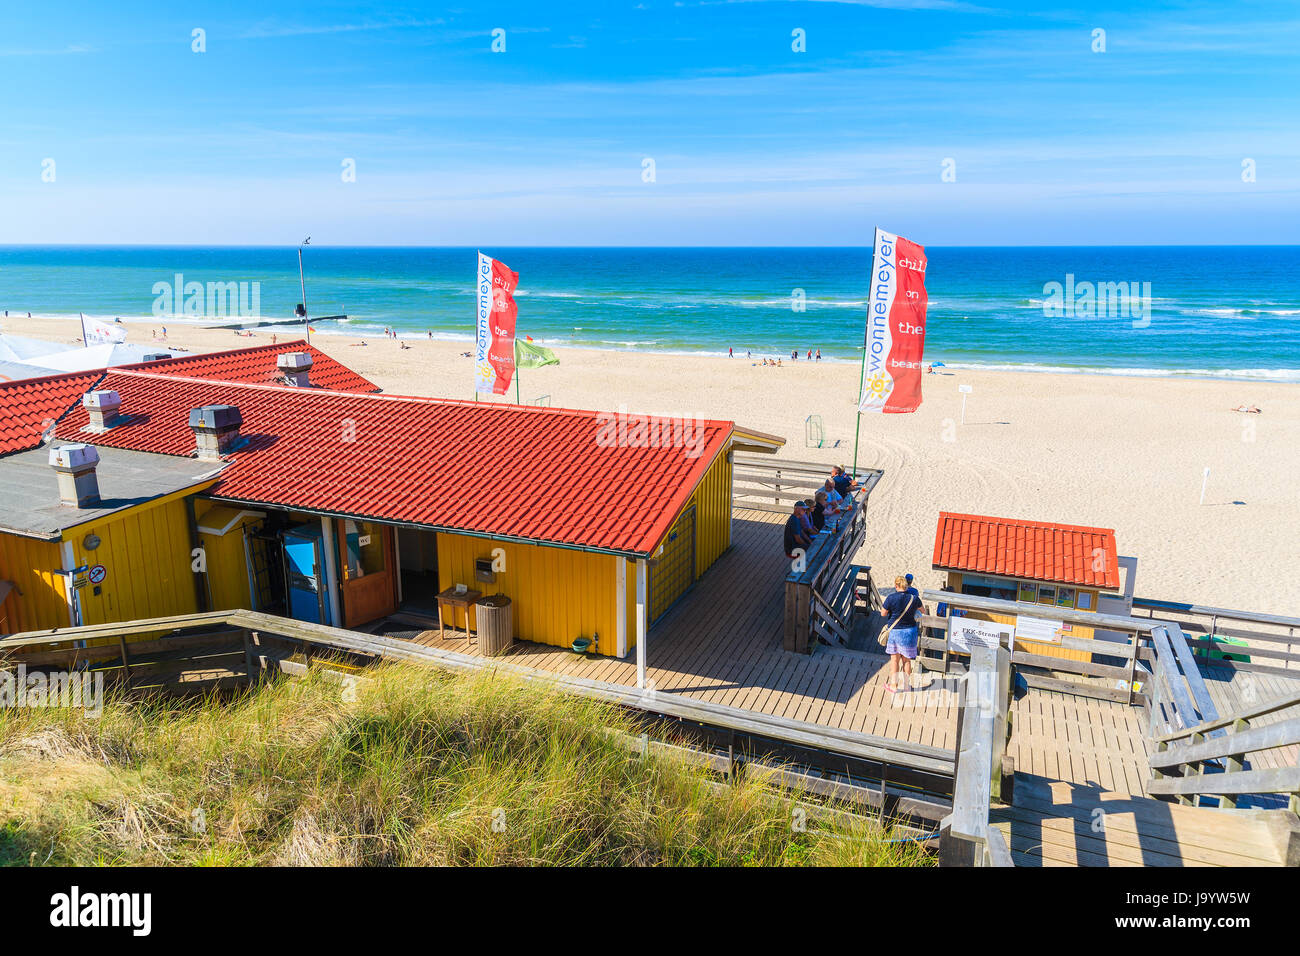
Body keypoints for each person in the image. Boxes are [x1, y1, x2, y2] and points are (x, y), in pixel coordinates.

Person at [881, 575, 925, 693]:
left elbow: (883, 614)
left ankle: (894, 686)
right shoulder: (914, 598)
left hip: (895, 632)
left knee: (895, 660)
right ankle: (906, 686)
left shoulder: (891, 598)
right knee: (907, 661)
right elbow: (923, 611)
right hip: (910, 631)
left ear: (896, 586)